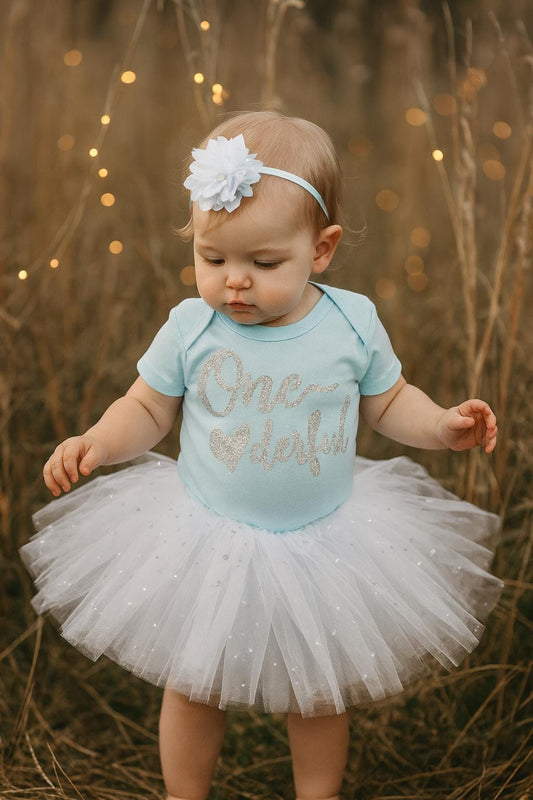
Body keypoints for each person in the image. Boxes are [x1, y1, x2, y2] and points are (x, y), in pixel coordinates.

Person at [21, 111, 503, 800]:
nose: (235, 283)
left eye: (264, 263)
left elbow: (389, 401)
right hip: (207, 537)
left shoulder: (350, 322)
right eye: (213, 259)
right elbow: (148, 408)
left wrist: (440, 425)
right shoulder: (192, 327)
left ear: (321, 249)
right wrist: (99, 439)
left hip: (326, 541)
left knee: (318, 690)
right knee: (193, 682)